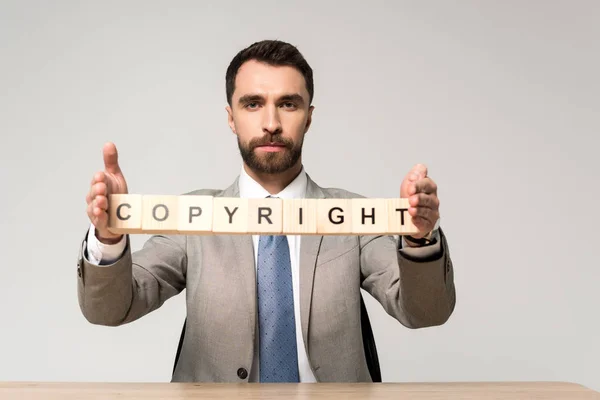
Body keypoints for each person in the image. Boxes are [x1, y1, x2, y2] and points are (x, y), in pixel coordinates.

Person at [78, 39, 456, 383]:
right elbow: (112, 309)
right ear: (231, 117)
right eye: (253, 103)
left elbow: (425, 312)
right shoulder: (192, 216)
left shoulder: (352, 214)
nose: (271, 123)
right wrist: (110, 235)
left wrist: (419, 236)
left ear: (308, 116)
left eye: (288, 104)